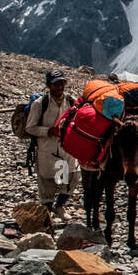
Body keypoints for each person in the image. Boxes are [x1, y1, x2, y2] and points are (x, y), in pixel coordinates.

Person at [26, 70, 79, 219]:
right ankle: (47, 213)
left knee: (71, 177)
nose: (59, 87)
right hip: (47, 148)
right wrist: (49, 131)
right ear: (49, 85)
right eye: (56, 84)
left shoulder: (71, 101)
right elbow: (30, 127)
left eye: (62, 83)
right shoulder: (40, 104)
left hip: (65, 147)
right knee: (47, 180)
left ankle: (60, 206)